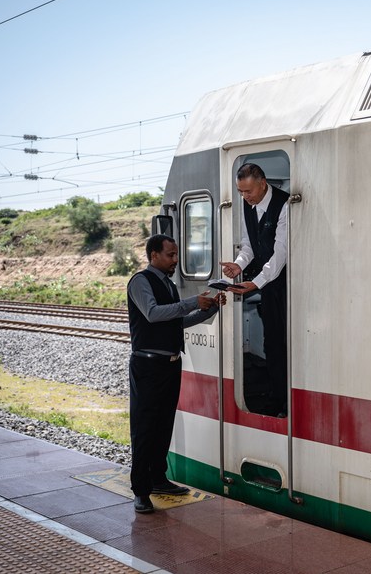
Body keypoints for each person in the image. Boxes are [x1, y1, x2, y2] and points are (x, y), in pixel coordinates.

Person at [127, 234, 226, 514]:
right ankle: (141, 491)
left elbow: (177, 321)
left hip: (170, 364)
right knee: (145, 428)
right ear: (153, 255)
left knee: (163, 425)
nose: (175, 260)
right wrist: (195, 301)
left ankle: (158, 479)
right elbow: (153, 314)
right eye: (170, 255)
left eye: (176, 255)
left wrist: (210, 307)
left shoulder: (167, 285)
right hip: (148, 366)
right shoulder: (140, 282)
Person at [220, 163, 289, 417]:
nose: (244, 197)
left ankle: (288, 402)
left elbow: (281, 253)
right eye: (240, 192)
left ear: (262, 183)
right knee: (272, 343)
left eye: (248, 191)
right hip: (268, 287)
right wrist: (238, 266)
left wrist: (255, 283)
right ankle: (277, 397)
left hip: (287, 286)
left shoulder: (284, 205)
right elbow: (249, 245)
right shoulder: (248, 206)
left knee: (286, 343)